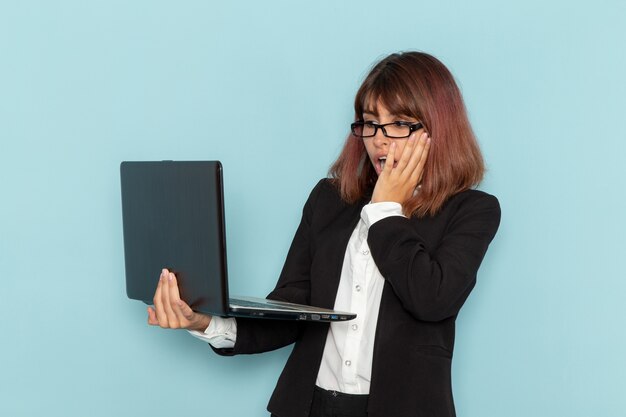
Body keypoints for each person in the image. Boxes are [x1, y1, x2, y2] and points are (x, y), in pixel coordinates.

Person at [147, 51, 501, 417]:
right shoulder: (329, 199)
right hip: (307, 406)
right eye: (369, 122)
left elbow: (431, 299)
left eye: (400, 123)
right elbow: (292, 311)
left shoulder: (473, 210)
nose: (380, 139)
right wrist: (205, 322)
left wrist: (384, 209)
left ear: (436, 129)